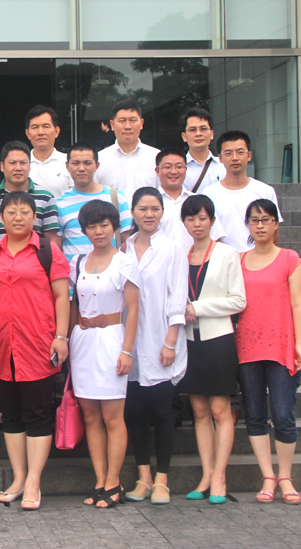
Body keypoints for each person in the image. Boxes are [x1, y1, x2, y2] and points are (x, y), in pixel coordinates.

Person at [0, 192, 71, 511]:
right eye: (12, 212)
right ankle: (18, 479)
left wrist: (61, 336)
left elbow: (62, 296)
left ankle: (34, 481)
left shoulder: (47, 250)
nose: (18, 217)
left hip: (38, 344)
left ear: (35, 217)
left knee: (38, 414)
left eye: (25, 212)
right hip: (1, 344)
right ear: (0, 218)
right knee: (11, 414)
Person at [0, 141, 59, 435]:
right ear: (2, 166)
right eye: (12, 162)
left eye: (23, 162)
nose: (18, 167)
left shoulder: (45, 197)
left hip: (32, 282)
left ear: (30, 165)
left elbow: (52, 239)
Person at [68, 200, 139, 509]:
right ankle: (100, 481)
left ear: (114, 227)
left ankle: (114, 481)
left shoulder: (125, 262)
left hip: (112, 339)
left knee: (112, 416)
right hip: (82, 341)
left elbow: (133, 310)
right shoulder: (77, 261)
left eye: (104, 225)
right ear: (84, 230)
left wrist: (127, 351)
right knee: (90, 415)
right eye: (92, 226)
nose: (98, 231)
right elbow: (73, 305)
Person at [175, 194, 246, 504]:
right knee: (200, 412)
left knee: (220, 411)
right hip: (189, 342)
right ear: (184, 223)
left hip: (218, 340)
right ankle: (205, 475)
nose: (197, 224)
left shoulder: (227, 254)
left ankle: (219, 476)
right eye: (191, 219)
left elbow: (238, 300)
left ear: (213, 221)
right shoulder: (181, 255)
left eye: (202, 218)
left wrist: (199, 308)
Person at [238, 198, 301, 506]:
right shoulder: (239, 260)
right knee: (255, 415)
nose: (260, 225)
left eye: (266, 219)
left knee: (282, 414)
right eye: (254, 220)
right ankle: (268, 475)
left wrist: (299, 343)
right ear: (248, 226)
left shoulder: (289, 258)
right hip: (247, 347)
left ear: (276, 224)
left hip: (281, 346)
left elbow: (297, 303)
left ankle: (286, 476)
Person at [121, 188, 186, 505]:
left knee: (162, 412)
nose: (149, 214)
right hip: (130, 341)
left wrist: (170, 342)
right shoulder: (124, 248)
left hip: (161, 338)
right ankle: (143, 477)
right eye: (143, 209)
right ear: (133, 212)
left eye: (155, 209)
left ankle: (162, 479)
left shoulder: (172, 248)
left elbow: (178, 297)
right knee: (135, 412)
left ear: (162, 212)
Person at [202, 131, 281, 253]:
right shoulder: (209, 194)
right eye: (228, 153)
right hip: (223, 259)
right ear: (220, 158)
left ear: (249, 156)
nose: (235, 158)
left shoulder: (265, 191)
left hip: (256, 259)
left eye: (240, 152)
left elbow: (274, 231)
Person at [55, 142, 131, 264]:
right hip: (74, 273)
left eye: (87, 163)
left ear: (97, 165)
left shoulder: (116, 197)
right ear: (67, 166)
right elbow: (57, 247)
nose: (81, 168)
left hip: (112, 271)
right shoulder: (60, 204)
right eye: (76, 163)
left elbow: (127, 241)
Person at [155, 148, 225, 249]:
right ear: (157, 171)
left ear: (186, 169)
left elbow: (215, 237)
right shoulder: (150, 203)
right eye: (167, 167)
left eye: (179, 167)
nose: (173, 171)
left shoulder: (199, 202)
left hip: (194, 258)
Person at [94, 99, 160, 202]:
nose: (128, 126)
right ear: (112, 125)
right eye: (122, 121)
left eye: (133, 121)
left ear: (141, 123)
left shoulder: (156, 157)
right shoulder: (99, 159)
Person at [25, 105, 72, 199]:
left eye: (46, 126)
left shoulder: (70, 162)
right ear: (28, 134)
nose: (41, 132)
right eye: (35, 127)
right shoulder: (20, 164)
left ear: (56, 131)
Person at [181, 108, 226, 194]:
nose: (198, 134)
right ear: (184, 136)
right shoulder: (178, 169)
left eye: (203, 129)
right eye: (192, 130)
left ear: (212, 134)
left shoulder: (223, 166)